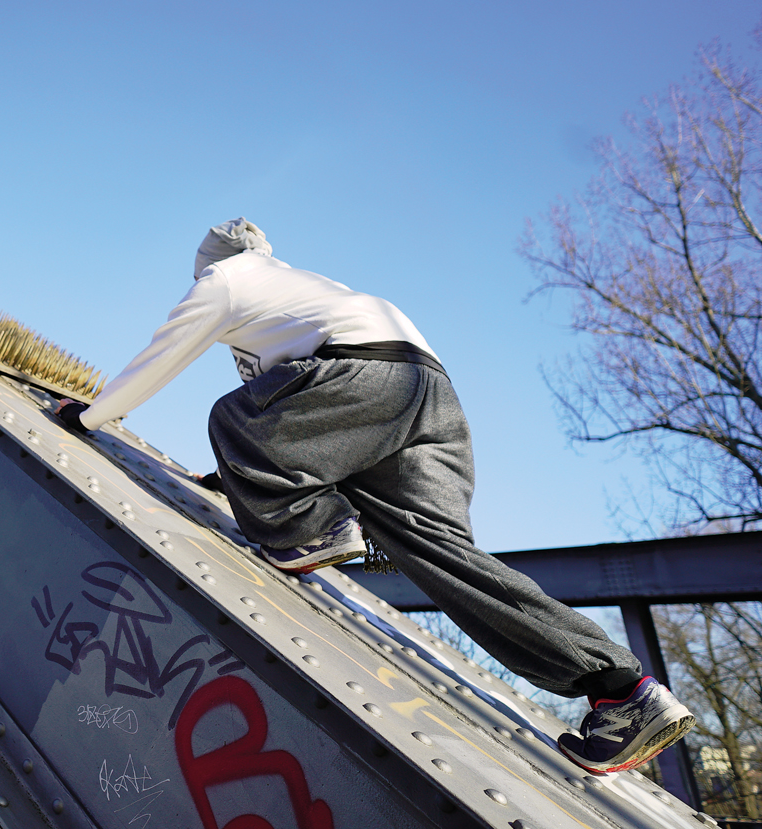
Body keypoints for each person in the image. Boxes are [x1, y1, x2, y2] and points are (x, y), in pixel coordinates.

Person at [54, 218, 694, 774]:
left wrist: (88, 419)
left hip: (364, 379)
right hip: (429, 394)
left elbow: (163, 357)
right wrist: (237, 480)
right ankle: (622, 691)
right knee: (440, 556)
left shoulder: (223, 282)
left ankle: (312, 533)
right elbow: (300, 427)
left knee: (230, 416)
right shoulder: (306, 292)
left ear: (205, 267)